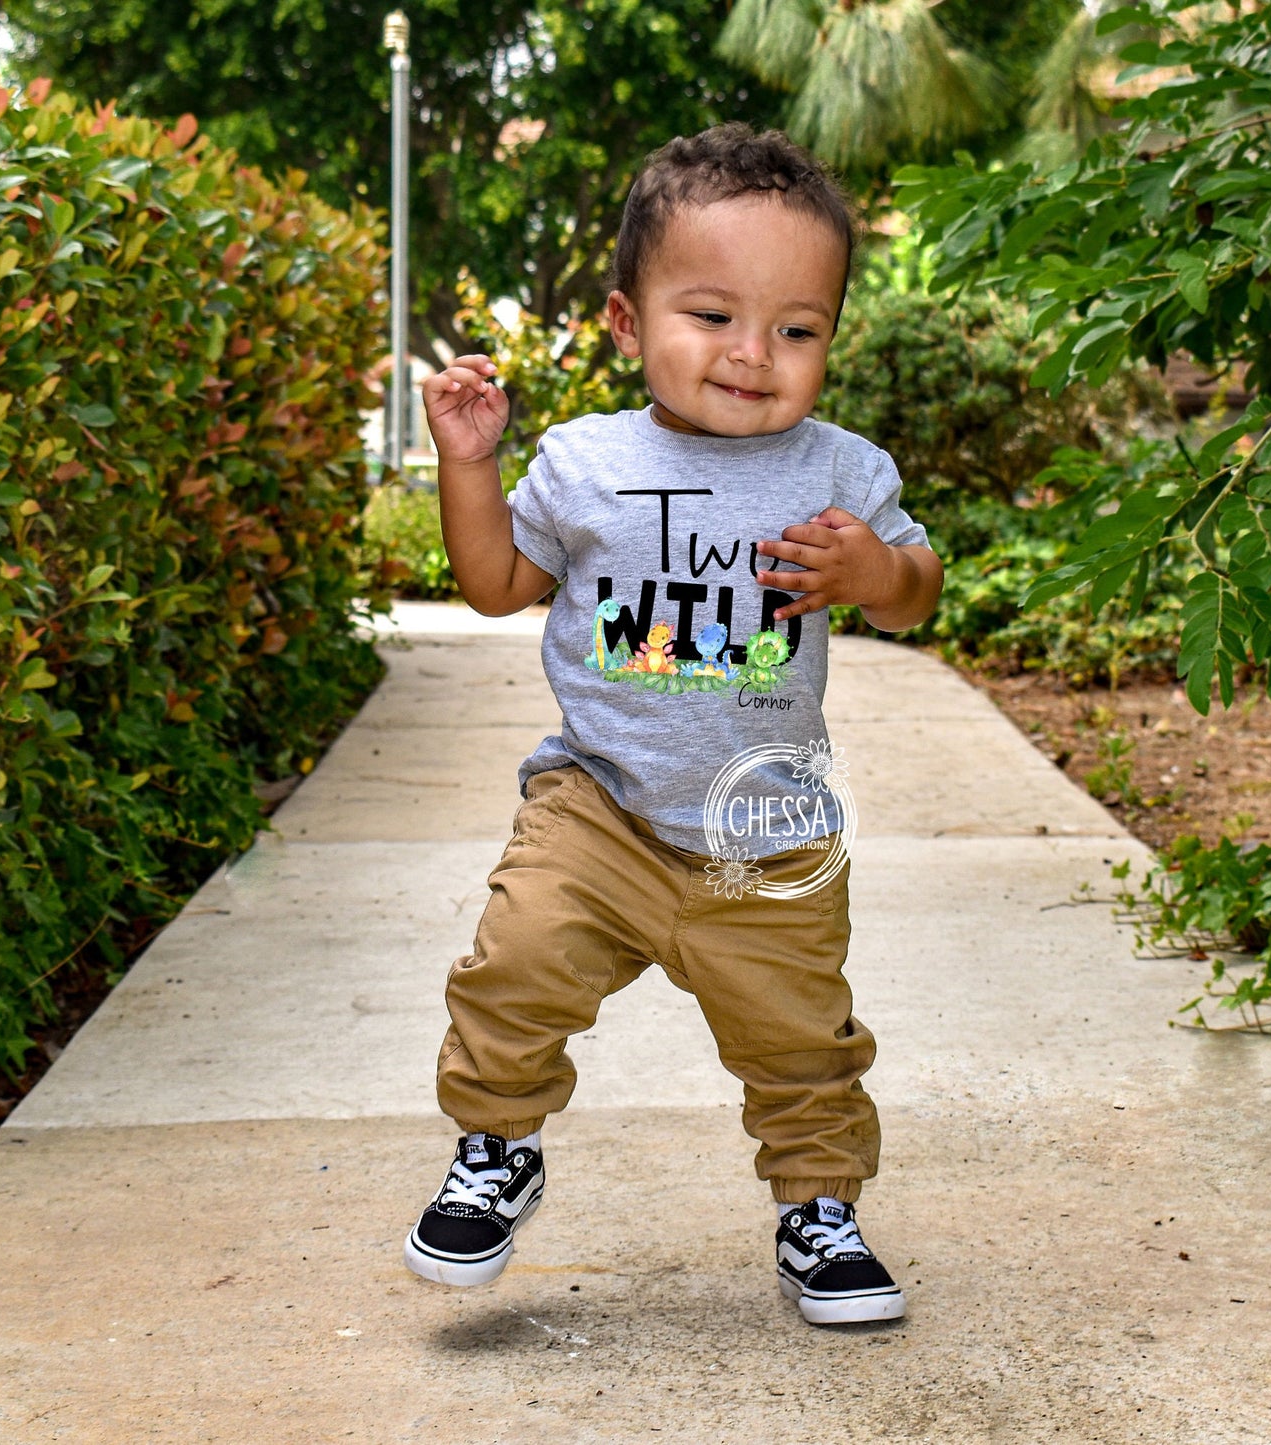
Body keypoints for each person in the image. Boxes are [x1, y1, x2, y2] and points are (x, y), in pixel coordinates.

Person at [403, 122, 944, 1326]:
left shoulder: (842, 472)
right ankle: (496, 1146)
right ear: (624, 321)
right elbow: (497, 584)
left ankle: (819, 1207)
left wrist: (873, 574)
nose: (755, 355)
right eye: (712, 316)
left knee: (802, 1038)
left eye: (796, 329)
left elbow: (917, 590)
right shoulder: (585, 460)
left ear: (828, 338)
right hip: (598, 805)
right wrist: (468, 466)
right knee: (513, 965)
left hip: (768, 825)